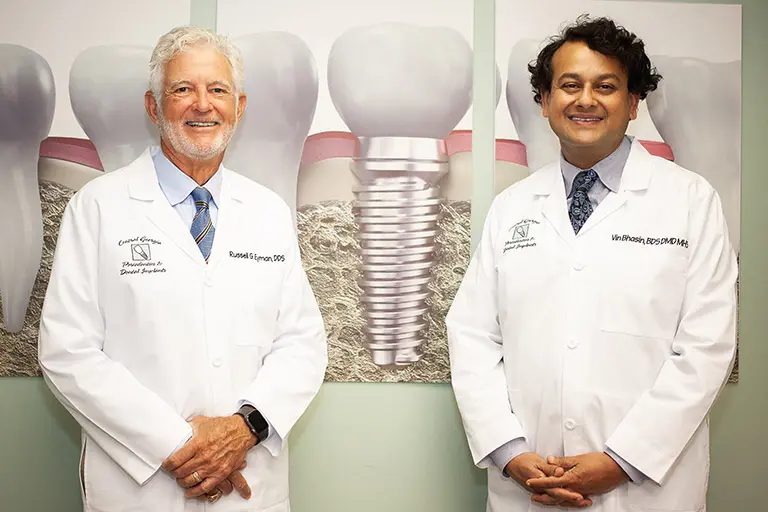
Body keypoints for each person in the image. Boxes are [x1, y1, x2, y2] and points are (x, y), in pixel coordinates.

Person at [446, 15, 737, 512]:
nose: (585, 100)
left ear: (633, 103)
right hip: (529, 481)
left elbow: (707, 345)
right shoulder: (513, 207)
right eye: (569, 85)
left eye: (606, 86)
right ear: (544, 100)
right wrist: (511, 452)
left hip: (646, 486)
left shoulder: (689, 199)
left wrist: (623, 460)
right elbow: (472, 337)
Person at [38, 26, 327, 511]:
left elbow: (301, 342)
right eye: (182, 89)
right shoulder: (98, 208)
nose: (202, 104)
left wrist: (243, 430)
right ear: (154, 106)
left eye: (218, 90)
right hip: (141, 487)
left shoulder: (269, 211)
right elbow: (68, 353)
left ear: (239, 107)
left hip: (248, 482)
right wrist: (178, 445)